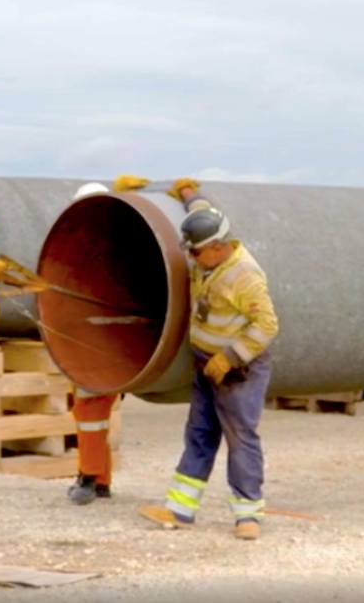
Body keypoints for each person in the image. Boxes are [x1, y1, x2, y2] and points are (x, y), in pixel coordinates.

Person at [134, 179, 280, 541]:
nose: (190, 258)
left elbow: (267, 325)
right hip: (205, 362)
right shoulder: (208, 243)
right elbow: (200, 211)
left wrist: (230, 357)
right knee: (199, 432)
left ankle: (248, 515)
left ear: (216, 248)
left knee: (240, 435)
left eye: (195, 253)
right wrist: (184, 192)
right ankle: (181, 509)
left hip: (237, 370)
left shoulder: (243, 275)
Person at [66, 181, 121, 505]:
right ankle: (101, 481)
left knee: (89, 415)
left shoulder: (90, 248)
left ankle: (88, 477)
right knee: (97, 416)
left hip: (93, 346)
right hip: (110, 346)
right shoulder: (114, 241)